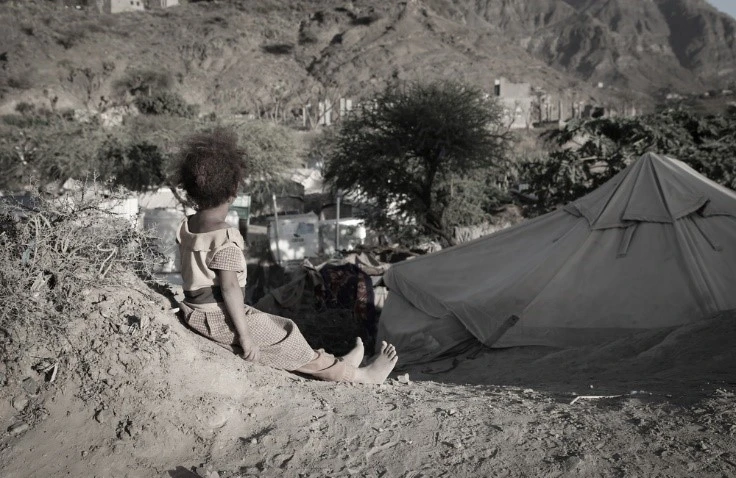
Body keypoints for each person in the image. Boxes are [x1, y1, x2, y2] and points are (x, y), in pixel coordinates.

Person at [175, 128, 398, 384]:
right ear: (233, 189)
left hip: (197, 310)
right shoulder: (225, 237)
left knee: (281, 329)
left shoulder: (188, 225)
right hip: (218, 315)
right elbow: (229, 288)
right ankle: (360, 376)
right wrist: (245, 336)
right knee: (286, 337)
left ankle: (336, 364)